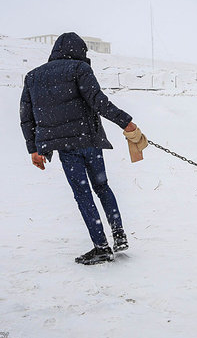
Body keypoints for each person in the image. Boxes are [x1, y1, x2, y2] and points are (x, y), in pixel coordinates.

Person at [19, 32, 147, 265]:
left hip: (65, 148)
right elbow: (98, 101)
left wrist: (34, 149)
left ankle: (101, 246)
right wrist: (125, 122)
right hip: (89, 142)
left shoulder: (33, 77)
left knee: (83, 194)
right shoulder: (79, 69)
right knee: (102, 187)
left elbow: (27, 118)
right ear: (80, 51)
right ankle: (118, 235)